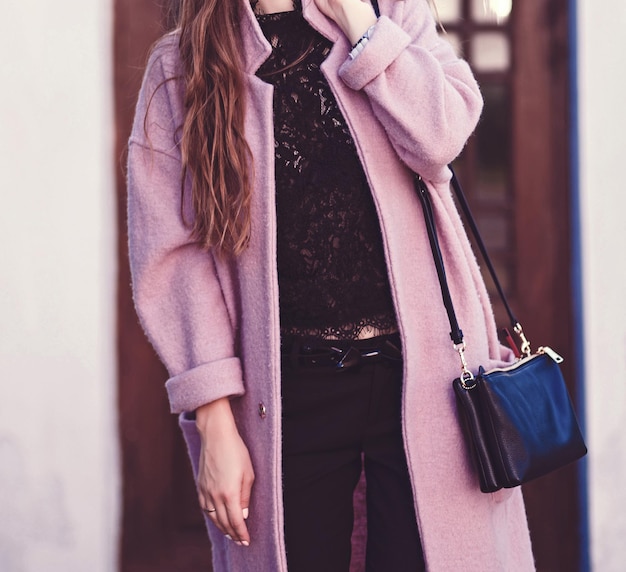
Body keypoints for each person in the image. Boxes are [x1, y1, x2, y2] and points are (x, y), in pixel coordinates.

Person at [127, 0, 536, 569]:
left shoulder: (387, 13)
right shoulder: (180, 67)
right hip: (289, 393)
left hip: (426, 384)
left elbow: (442, 137)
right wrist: (214, 416)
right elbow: (175, 260)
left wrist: (360, 23)